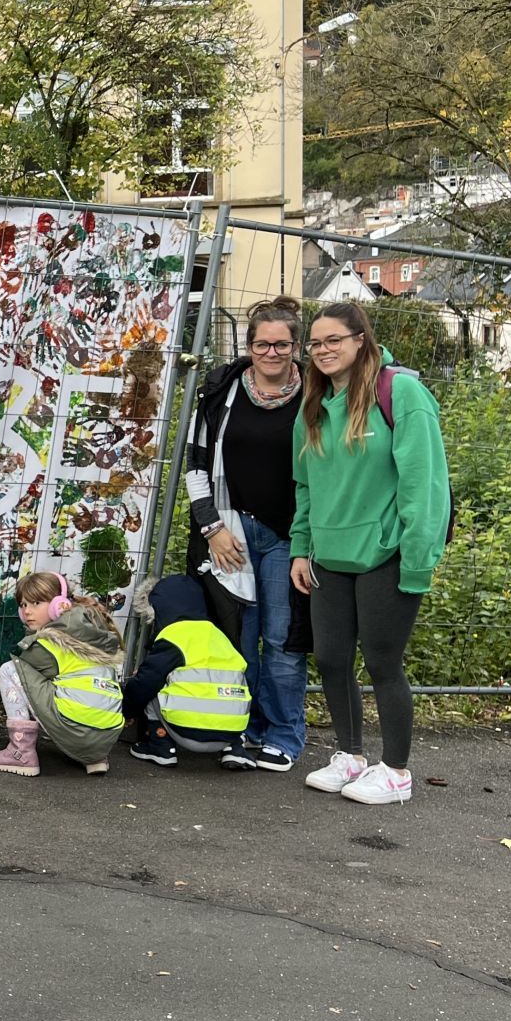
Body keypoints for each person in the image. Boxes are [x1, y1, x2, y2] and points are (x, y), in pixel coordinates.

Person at [290, 301, 451, 806]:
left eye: (334, 339)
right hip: (329, 558)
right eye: (315, 343)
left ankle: (396, 771)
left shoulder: (401, 393)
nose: (323, 350)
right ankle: (351, 757)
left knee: (384, 663)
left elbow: (426, 486)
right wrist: (300, 549)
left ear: (361, 339)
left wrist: (418, 559)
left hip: (387, 555)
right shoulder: (313, 406)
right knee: (332, 659)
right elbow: (306, 486)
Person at [185, 298, 311, 773]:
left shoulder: (316, 396)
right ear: (249, 346)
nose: (272, 353)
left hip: (289, 536)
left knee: (282, 639)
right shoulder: (221, 393)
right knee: (238, 636)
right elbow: (197, 464)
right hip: (231, 533)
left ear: (296, 346)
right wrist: (211, 527)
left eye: (282, 344)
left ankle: (282, 734)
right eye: (263, 344)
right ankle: (242, 728)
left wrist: (307, 542)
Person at [0, 572, 124, 777]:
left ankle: (21, 753)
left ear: (59, 605)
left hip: (76, 730)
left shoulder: (49, 644)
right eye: (23, 605)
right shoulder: (93, 634)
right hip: (106, 737)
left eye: (36, 603)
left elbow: (26, 677)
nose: (27, 612)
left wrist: (32, 637)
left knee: (10, 670)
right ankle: (94, 759)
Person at [124, 574, 254, 767]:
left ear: (158, 608)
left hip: (187, 731)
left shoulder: (173, 637)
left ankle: (160, 746)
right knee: (234, 686)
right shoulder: (219, 635)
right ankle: (235, 750)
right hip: (232, 729)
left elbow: (145, 682)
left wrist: (126, 711)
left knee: (150, 683)